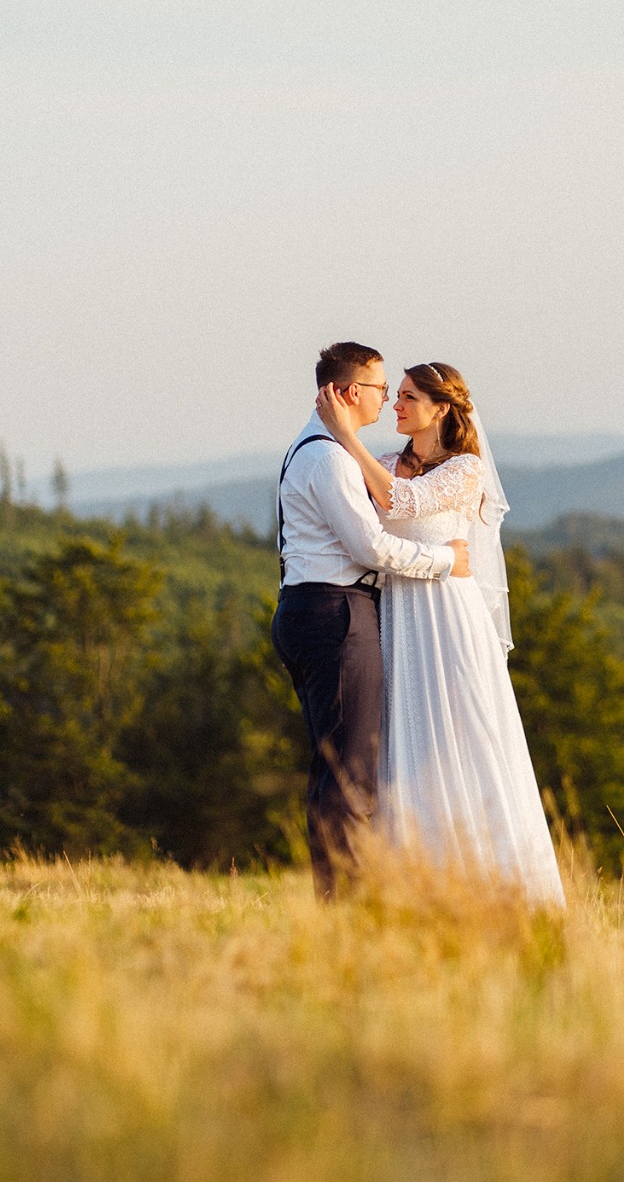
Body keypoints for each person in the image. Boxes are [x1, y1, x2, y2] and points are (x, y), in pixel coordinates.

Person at [315, 360, 566, 907]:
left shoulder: (465, 470)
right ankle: (414, 881)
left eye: (408, 398)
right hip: (397, 618)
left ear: (442, 408)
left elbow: (401, 503)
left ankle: (496, 882)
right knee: (406, 737)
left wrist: (344, 438)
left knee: (462, 734)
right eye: (396, 395)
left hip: (448, 619)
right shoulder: (383, 461)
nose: (397, 406)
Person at [271, 341, 470, 898]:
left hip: (312, 608)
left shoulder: (309, 448)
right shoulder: (330, 457)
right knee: (350, 770)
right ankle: (345, 900)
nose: (388, 399)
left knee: (337, 761)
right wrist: (447, 561)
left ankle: (339, 892)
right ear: (351, 391)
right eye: (383, 388)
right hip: (335, 614)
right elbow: (371, 549)